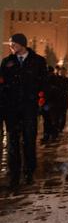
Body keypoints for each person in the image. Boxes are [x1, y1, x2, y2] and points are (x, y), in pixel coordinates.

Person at [0, 33, 47, 191]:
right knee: (13, 143)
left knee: (29, 141)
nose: (11, 46)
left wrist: (40, 100)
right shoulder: (7, 62)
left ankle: (28, 172)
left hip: (29, 109)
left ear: (22, 44)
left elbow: (43, 83)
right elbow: (2, 85)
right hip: (11, 111)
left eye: (13, 43)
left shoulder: (38, 61)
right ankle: (14, 175)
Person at [55, 65, 68, 132]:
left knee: (63, 114)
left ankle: (61, 127)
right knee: (57, 114)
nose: (62, 73)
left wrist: (62, 93)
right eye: (61, 71)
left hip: (64, 100)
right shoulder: (57, 79)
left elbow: (67, 90)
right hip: (57, 100)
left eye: (63, 72)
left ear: (65, 72)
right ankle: (57, 127)